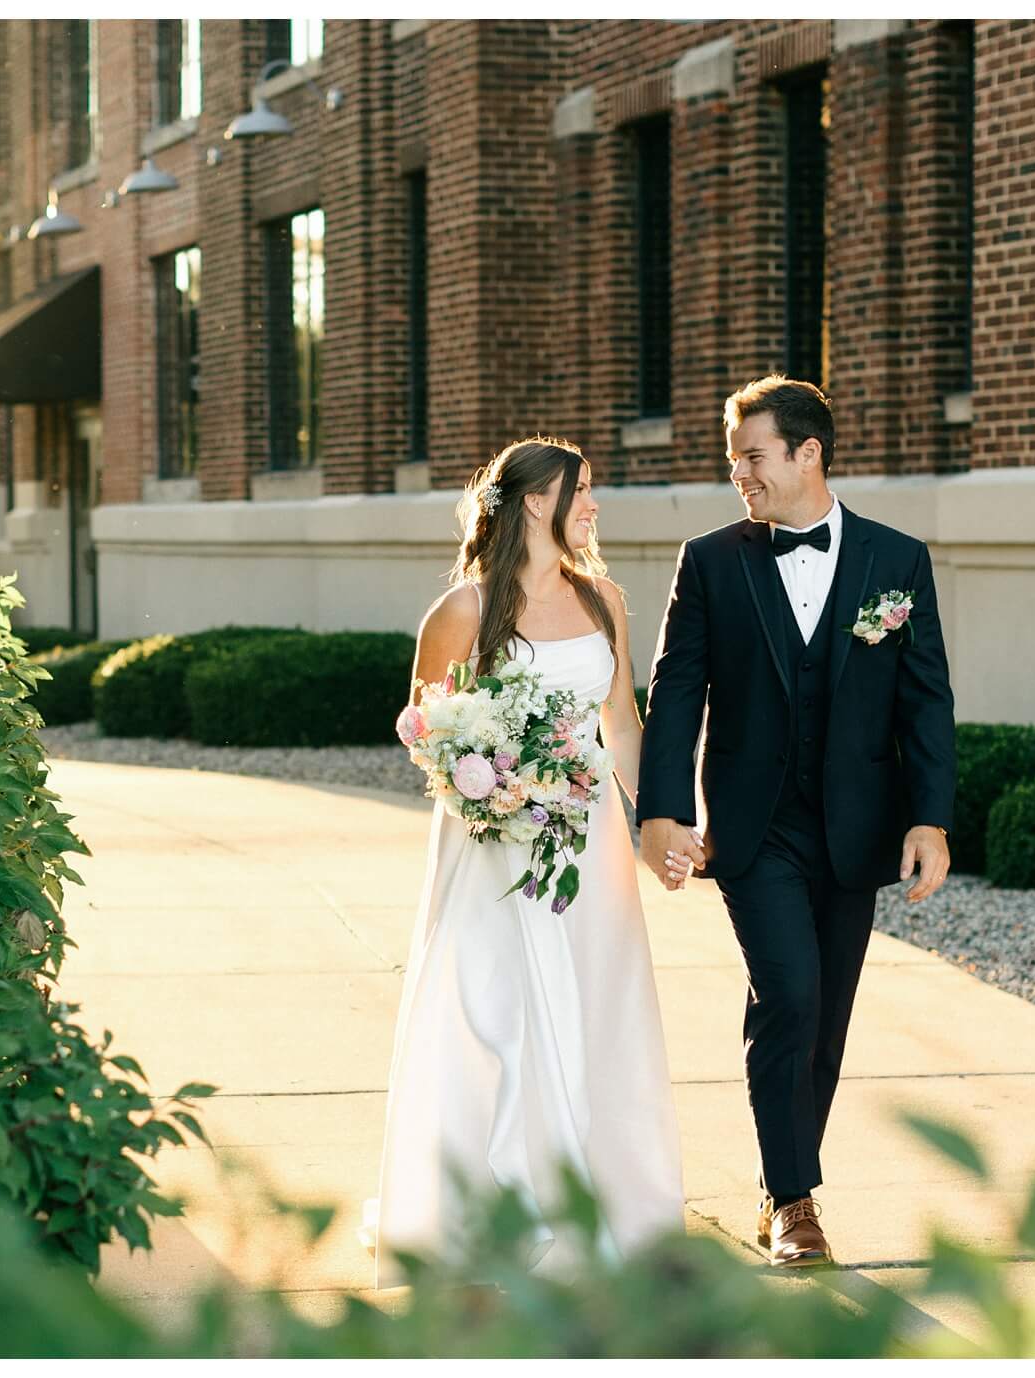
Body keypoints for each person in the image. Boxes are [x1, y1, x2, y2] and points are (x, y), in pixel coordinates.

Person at [638, 376, 957, 1268]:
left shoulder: (898, 562)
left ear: (807, 453)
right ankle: (793, 1200)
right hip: (753, 828)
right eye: (734, 459)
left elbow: (926, 702)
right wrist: (662, 810)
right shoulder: (710, 561)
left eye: (753, 456)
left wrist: (930, 820)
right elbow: (675, 693)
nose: (739, 474)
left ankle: (784, 1176)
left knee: (826, 1016)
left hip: (854, 829)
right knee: (789, 993)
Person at [363, 436, 687, 1287]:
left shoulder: (605, 599)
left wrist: (662, 820)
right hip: (491, 848)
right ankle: (487, 1205)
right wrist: (493, 782)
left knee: (594, 1007)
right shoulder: (462, 614)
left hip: (589, 850)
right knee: (488, 1013)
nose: (594, 508)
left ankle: (594, 1199)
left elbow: (621, 725)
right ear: (539, 502)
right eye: (584, 493)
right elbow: (424, 730)